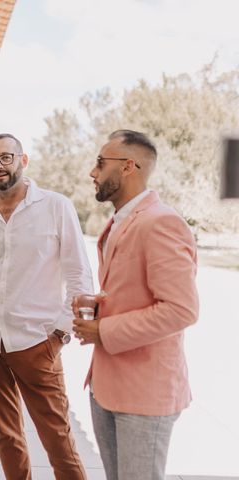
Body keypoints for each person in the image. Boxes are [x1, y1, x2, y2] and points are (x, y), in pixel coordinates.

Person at [0, 133, 92, 480]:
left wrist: (60, 333)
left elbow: (80, 275)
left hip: (36, 343)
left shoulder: (55, 206)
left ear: (23, 160)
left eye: (5, 157)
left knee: (58, 439)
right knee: (7, 437)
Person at [73, 130, 198, 480]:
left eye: (100, 162)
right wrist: (98, 306)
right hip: (107, 386)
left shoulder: (161, 222)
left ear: (129, 166)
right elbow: (133, 293)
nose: (92, 172)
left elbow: (181, 309)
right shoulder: (121, 220)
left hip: (144, 393)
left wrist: (104, 329)